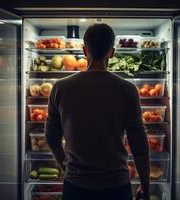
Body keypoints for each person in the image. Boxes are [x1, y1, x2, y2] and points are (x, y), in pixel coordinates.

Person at [45, 23, 150, 200]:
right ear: (112, 52)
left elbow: (52, 137)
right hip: (116, 185)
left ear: (85, 51)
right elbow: (138, 143)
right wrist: (146, 186)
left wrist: (66, 167)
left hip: (75, 186)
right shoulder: (127, 89)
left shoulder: (60, 88)